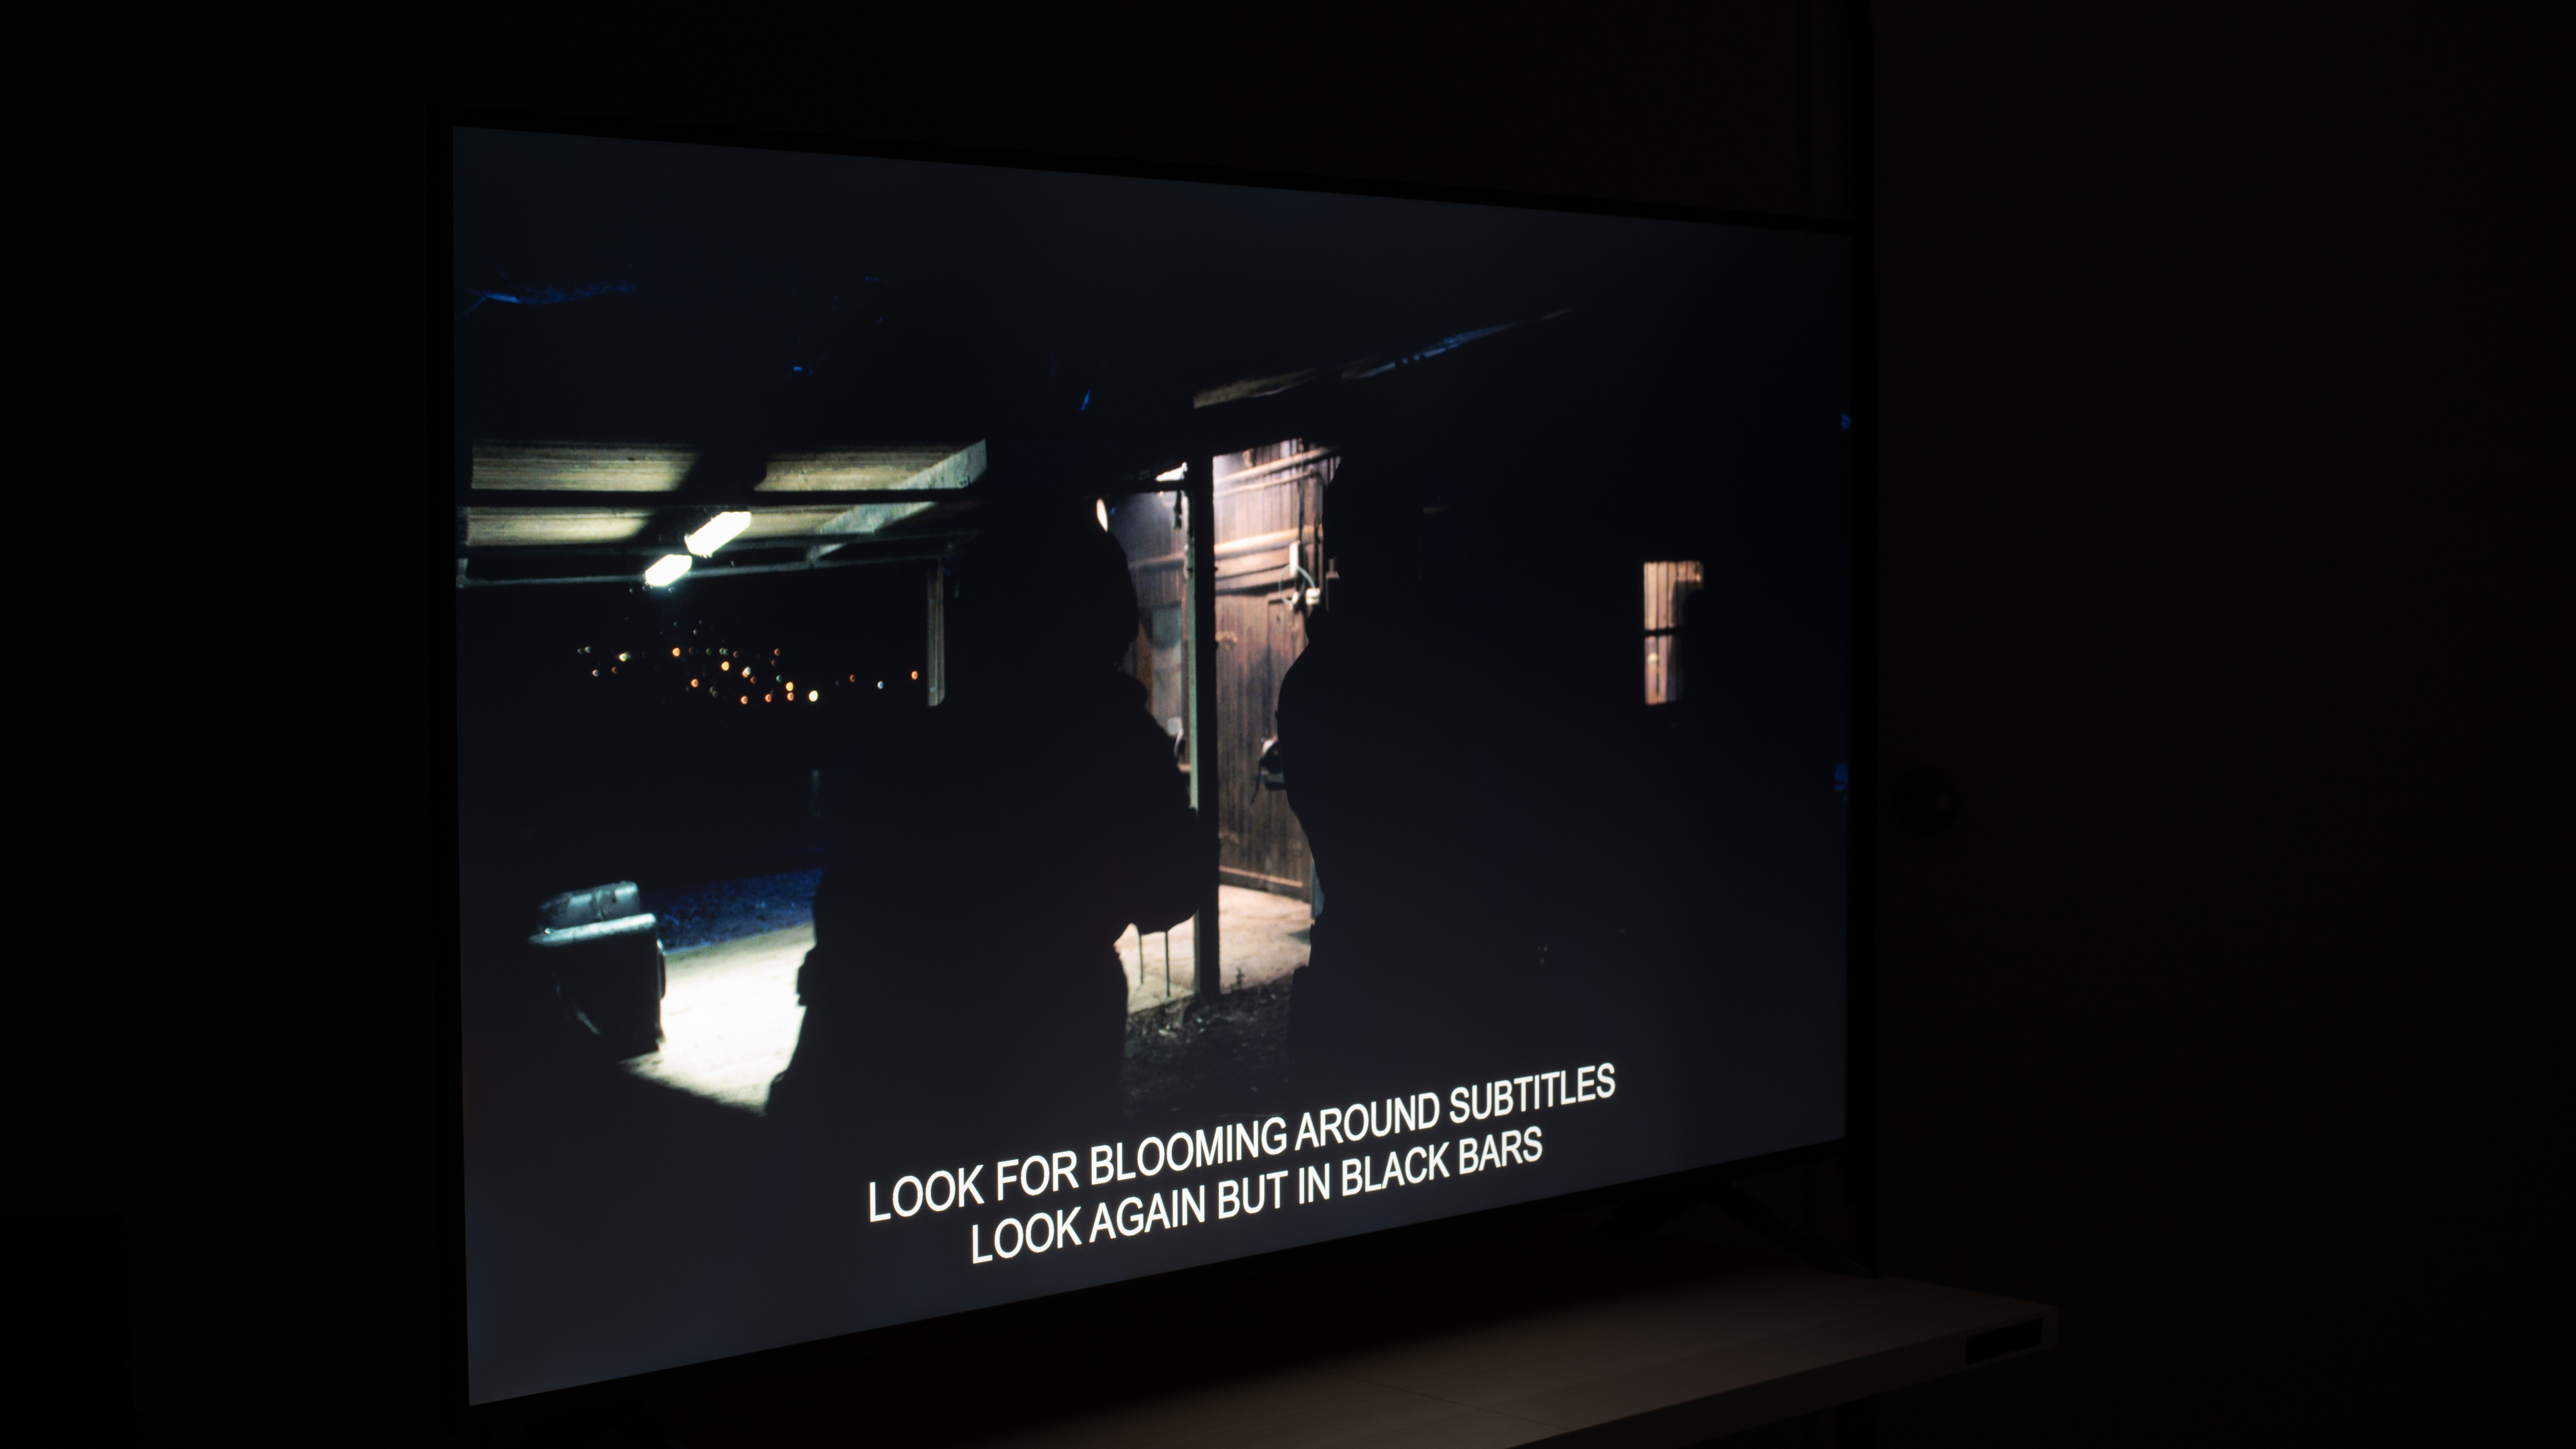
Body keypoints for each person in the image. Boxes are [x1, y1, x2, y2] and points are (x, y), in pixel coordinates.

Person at [767, 494, 1212, 1176]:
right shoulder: (1112, 743)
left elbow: (846, 931)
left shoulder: (909, 754)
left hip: (894, 1095)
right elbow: (1168, 890)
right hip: (1041, 1064)